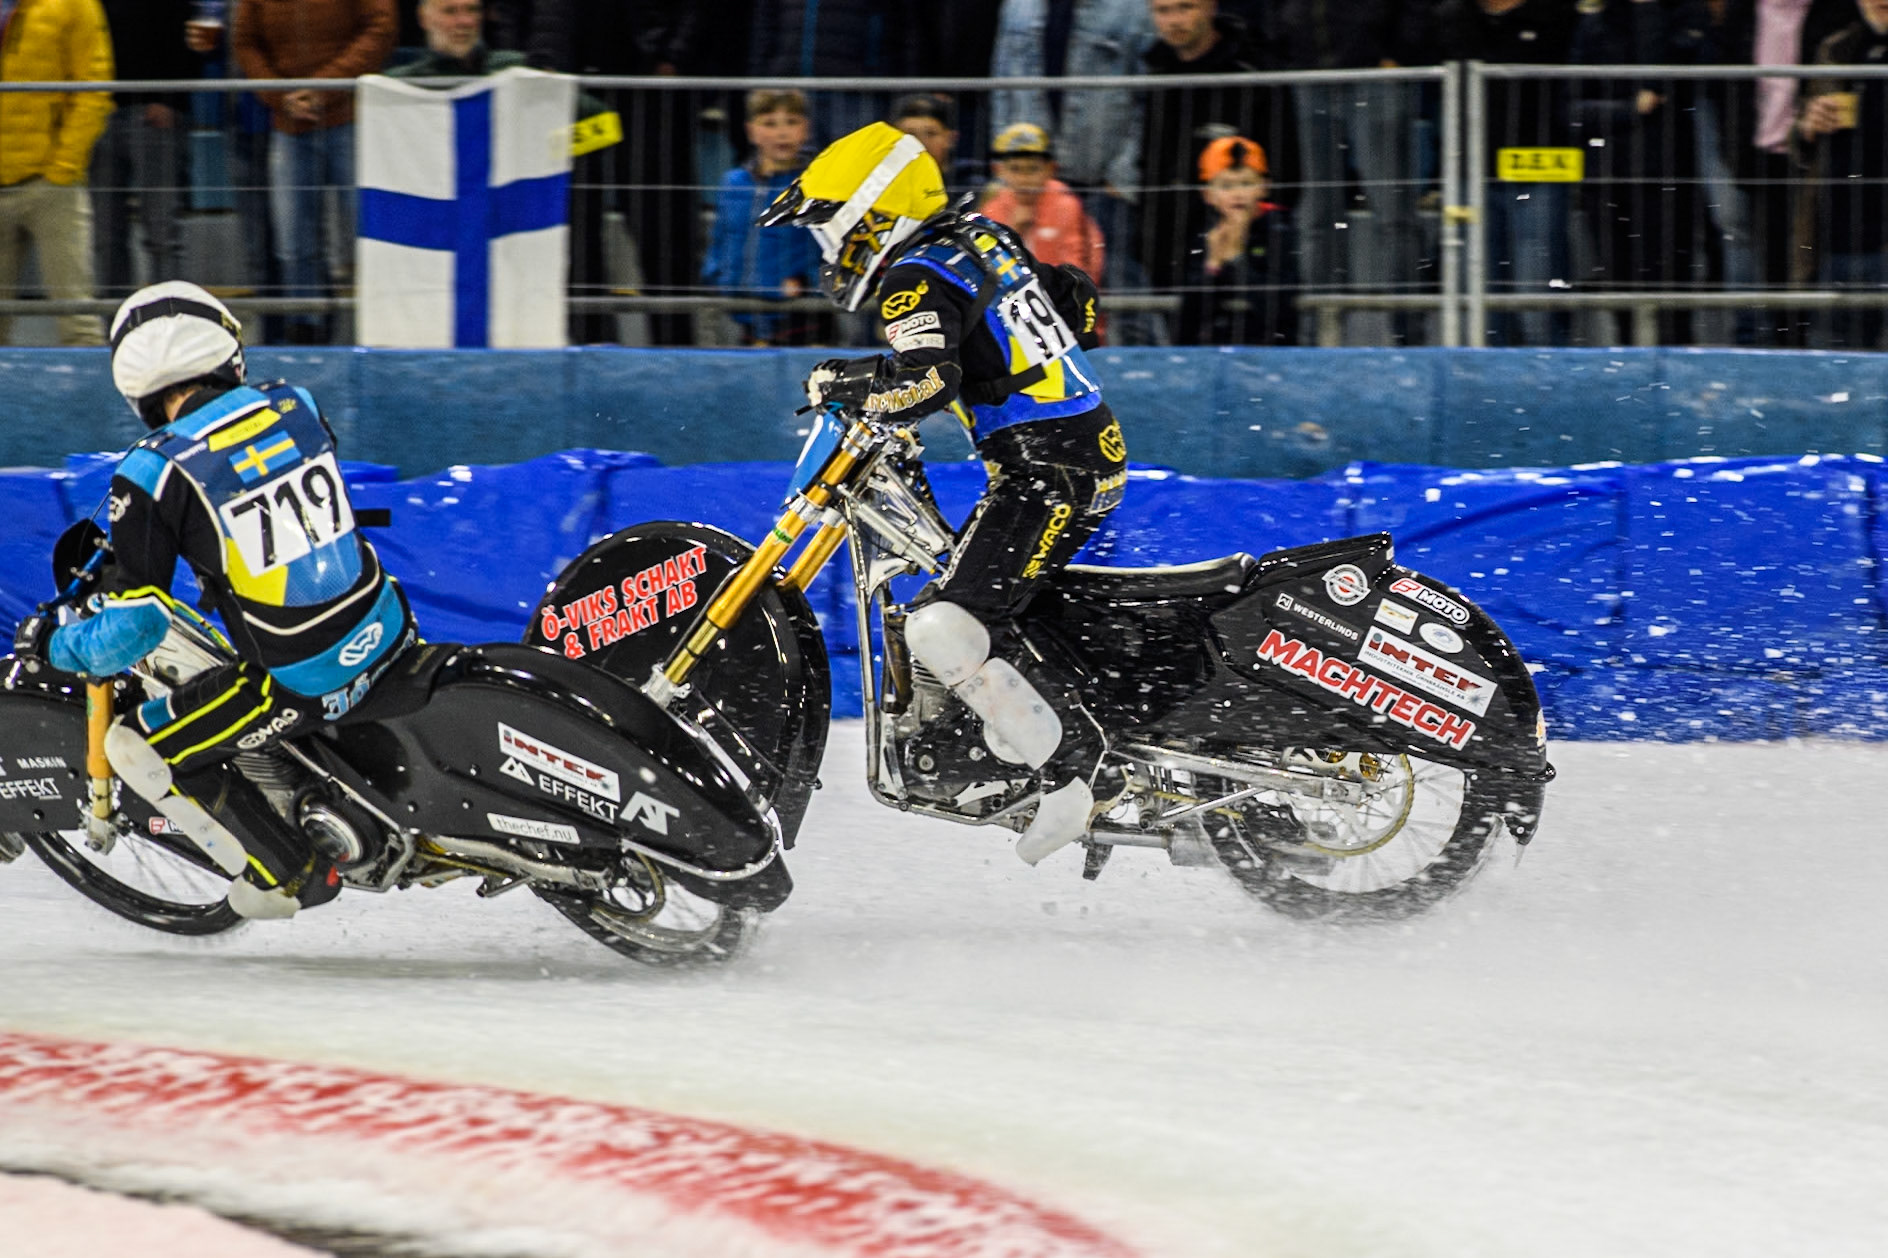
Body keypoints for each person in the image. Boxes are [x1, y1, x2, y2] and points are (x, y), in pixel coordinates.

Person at [761, 123, 1126, 865]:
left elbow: (930, 379)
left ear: (872, 218)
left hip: (1046, 470)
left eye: (833, 234)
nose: (831, 255)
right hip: (1084, 452)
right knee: (984, 602)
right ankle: (1036, 727)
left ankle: (1076, 775)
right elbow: (1073, 299)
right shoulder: (979, 235)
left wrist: (850, 384)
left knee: (939, 627)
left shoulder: (912, 278)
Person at [29, 282, 417, 918]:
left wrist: (59, 646)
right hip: (390, 624)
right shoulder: (295, 401)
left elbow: (136, 633)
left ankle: (286, 874)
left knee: (139, 747)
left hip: (305, 679)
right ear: (225, 350)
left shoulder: (154, 470)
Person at [233, 0, 397, 343]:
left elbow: (380, 27)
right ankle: (307, 332)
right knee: (293, 243)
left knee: (367, 235)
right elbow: (245, 42)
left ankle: (379, 329)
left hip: (351, 117)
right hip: (288, 123)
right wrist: (281, 96)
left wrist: (322, 88)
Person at [1273, 0, 1430, 346]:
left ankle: (1409, 336)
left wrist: (1399, 54)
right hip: (1309, 73)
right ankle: (1320, 336)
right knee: (1318, 215)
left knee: (1393, 213)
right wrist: (1286, 43)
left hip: (1375, 74)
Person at [1434, 0, 1579, 346]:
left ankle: (1547, 382)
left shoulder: (1558, 16)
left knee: (1537, 301)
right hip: (1473, 172)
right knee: (1481, 306)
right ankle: (1484, 390)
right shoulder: (1453, 18)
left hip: (1540, 168)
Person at [1139, 0, 1299, 306]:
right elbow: (1151, 165)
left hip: (1253, 248)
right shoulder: (1155, 69)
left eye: (1185, 7)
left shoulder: (1254, 69)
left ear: (1211, 7)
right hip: (1175, 248)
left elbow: (1287, 169)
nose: (1174, 20)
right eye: (1163, 10)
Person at [0, 0, 113, 347]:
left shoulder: (75, 5)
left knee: (78, 322)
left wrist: (63, 168)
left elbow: (93, 88)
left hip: (52, 186)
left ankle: (94, 401)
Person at [702, 88, 826, 346]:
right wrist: (716, 278)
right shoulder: (733, 182)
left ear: (805, 129)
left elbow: (833, 250)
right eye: (769, 123)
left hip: (800, 316)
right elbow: (719, 239)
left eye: (791, 122)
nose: (782, 133)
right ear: (751, 131)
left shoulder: (818, 185)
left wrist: (806, 283)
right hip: (742, 316)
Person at [92, 0, 197, 300]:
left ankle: (171, 320)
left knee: (162, 230)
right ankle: (116, 325)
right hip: (99, 113)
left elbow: (189, 39)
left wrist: (170, 100)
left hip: (156, 117)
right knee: (106, 234)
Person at [1798, 0, 1888, 348]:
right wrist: (1808, 124)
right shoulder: (1837, 47)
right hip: (1842, 232)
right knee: (1843, 354)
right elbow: (1799, 141)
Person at [1177, 135, 1298, 345]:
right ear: (1207, 194)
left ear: (1264, 187)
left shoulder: (1280, 231)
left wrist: (1236, 258)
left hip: (1270, 349)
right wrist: (1213, 265)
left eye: (1246, 183)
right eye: (1226, 186)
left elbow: (1278, 310)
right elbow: (1188, 319)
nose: (1238, 194)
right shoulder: (1204, 236)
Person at [978, 122, 1107, 280]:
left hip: (1059, 298)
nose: (1023, 179)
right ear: (999, 170)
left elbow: (1079, 267)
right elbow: (985, 266)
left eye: (1033, 169)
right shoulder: (993, 208)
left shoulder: (1067, 206)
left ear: (1050, 169)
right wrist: (1015, 230)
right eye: (1015, 169)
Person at [385, 0, 520, 75]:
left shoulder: (515, 71)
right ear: (424, 18)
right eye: (450, 11)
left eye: (472, 9)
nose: (465, 22)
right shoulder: (401, 84)